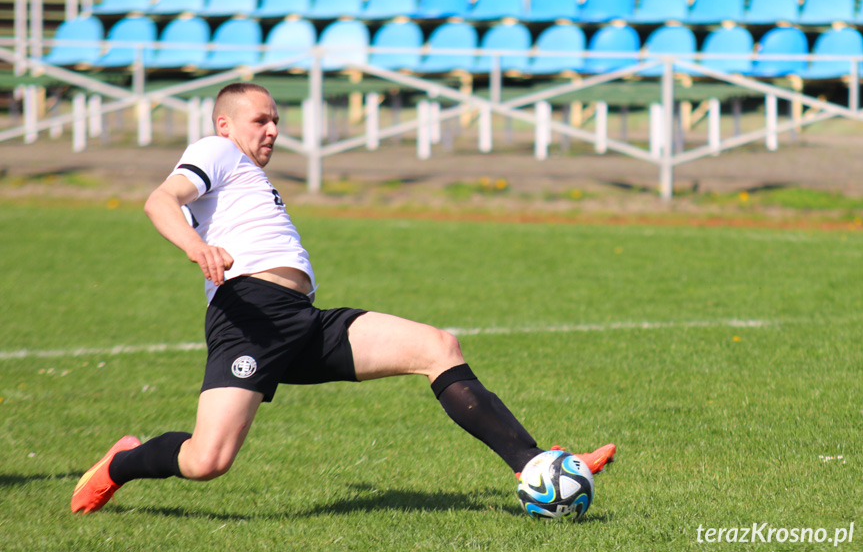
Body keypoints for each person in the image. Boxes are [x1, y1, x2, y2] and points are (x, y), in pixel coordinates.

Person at [71, 82, 615, 514]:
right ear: (224, 124)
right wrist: (197, 247)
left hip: (301, 319)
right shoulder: (215, 151)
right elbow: (159, 201)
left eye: (277, 120)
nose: (273, 130)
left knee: (437, 347)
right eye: (260, 119)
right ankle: (121, 465)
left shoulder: (247, 176)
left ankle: (542, 466)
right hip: (251, 320)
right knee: (207, 460)